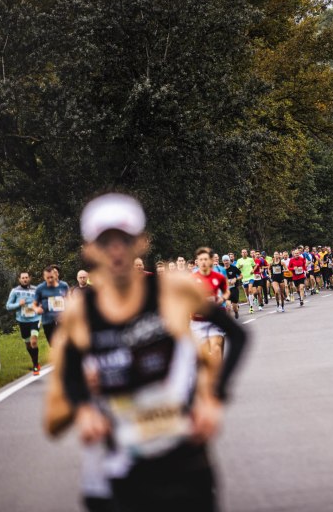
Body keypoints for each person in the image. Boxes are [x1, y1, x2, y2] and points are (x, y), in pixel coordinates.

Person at [50, 193, 246, 512]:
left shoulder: (174, 290)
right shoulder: (79, 312)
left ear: (141, 243)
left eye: (124, 240)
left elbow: (238, 334)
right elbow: (70, 370)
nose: (116, 250)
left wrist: (214, 398)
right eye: (105, 242)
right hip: (125, 467)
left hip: (186, 458)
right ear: (89, 250)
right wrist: (84, 409)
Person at [191, 247, 230, 361]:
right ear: (197, 261)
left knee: (216, 348)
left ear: (210, 261)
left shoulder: (219, 276)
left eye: (205, 259)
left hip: (215, 317)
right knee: (204, 355)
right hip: (198, 320)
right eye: (200, 259)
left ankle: (219, 371)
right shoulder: (192, 278)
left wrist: (223, 299)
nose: (203, 262)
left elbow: (226, 291)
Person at [6, 271, 40, 375]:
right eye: (23, 278)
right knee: (28, 344)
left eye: (26, 277)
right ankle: (35, 361)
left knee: (33, 341)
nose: (25, 279)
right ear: (19, 279)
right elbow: (8, 306)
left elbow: (42, 301)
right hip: (22, 320)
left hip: (35, 318)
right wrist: (18, 304)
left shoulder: (36, 289)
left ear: (29, 278)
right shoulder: (15, 291)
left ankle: (35, 365)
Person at [34, 265, 69, 345]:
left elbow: (69, 300)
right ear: (44, 277)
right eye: (48, 277)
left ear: (56, 275)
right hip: (47, 320)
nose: (50, 279)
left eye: (51, 277)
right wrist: (37, 309)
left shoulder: (64, 286)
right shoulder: (40, 288)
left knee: (65, 343)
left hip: (62, 319)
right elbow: (34, 304)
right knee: (53, 344)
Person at [222, 255, 242, 319]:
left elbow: (241, 276)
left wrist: (236, 278)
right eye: (224, 261)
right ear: (223, 261)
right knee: (228, 306)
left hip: (234, 289)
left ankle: (236, 312)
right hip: (226, 290)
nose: (226, 262)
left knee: (234, 307)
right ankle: (228, 320)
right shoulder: (221, 270)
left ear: (229, 261)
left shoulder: (234, 268)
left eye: (227, 260)